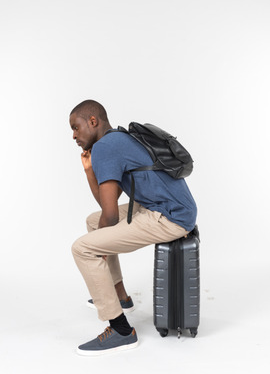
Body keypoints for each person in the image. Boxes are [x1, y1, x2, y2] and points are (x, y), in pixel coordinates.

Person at [69, 99, 197, 356]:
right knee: (93, 223)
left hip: (170, 216)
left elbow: (111, 214)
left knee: (82, 248)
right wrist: (89, 171)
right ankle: (120, 297)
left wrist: (101, 251)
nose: (74, 136)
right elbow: (108, 206)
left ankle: (121, 331)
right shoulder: (117, 139)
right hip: (166, 207)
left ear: (92, 121)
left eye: (76, 127)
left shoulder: (105, 147)